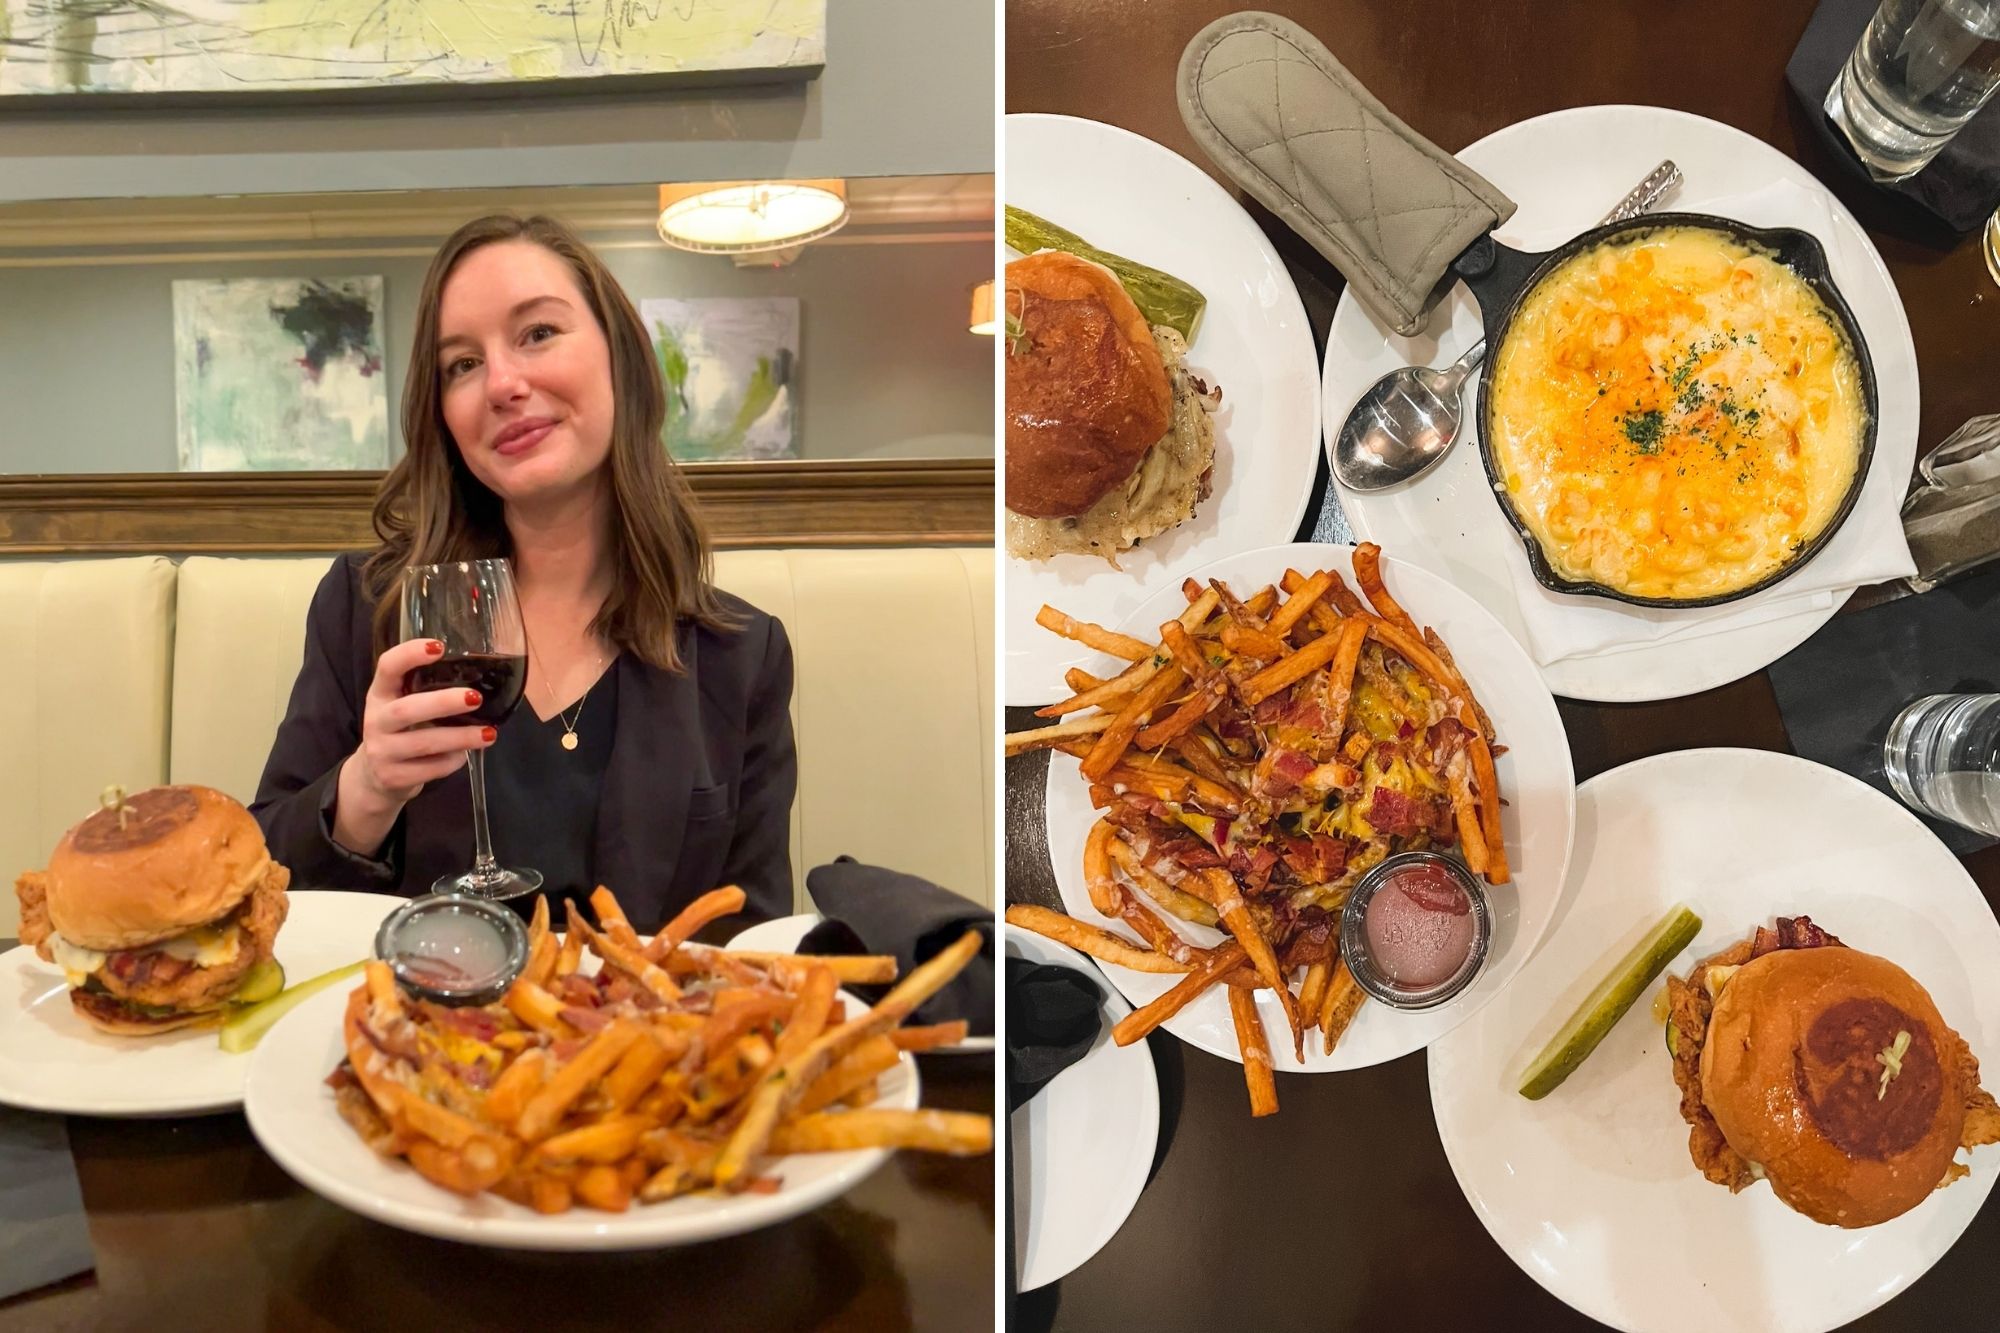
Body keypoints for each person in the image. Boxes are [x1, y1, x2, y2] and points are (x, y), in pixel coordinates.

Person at [252, 214, 796, 930]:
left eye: (538, 332)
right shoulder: (367, 608)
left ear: (620, 357)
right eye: (462, 364)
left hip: (640, 1038)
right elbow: (263, 884)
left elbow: (751, 944)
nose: (502, 384)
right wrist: (365, 789)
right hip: (417, 1033)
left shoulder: (740, 653)